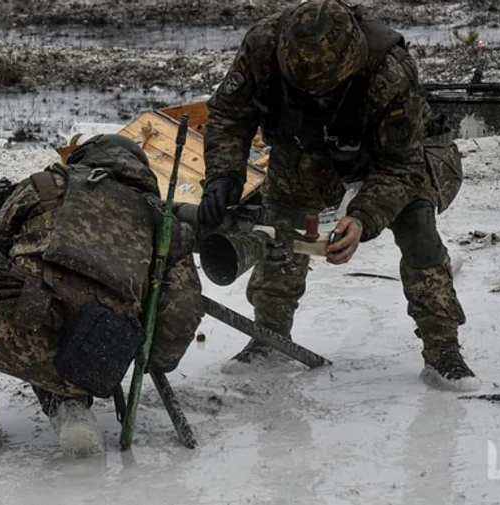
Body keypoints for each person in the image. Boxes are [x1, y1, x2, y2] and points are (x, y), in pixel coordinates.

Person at [199, 0, 480, 391]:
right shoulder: (262, 46)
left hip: (402, 154)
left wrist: (362, 218)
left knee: (417, 227)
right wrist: (223, 175)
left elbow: (401, 166)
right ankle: (269, 338)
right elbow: (229, 117)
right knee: (280, 225)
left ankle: (443, 349)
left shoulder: (389, 70)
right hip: (308, 150)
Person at [0, 135, 205, 456]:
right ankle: (71, 408)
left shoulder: (46, 184)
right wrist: (151, 356)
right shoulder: (166, 228)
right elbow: (180, 317)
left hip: (7, 337)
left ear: (82, 159)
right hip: (93, 366)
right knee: (78, 311)